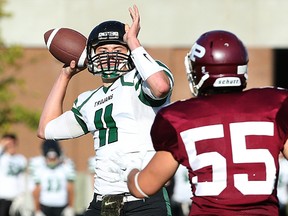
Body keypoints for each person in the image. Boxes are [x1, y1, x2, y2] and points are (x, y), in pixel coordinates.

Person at [120, 30, 288, 215]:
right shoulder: (274, 105)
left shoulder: (180, 117)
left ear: (200, 70)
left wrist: (130, 172)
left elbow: (144, 187)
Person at [37, 4, 174, 216]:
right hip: (103, 202)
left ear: (131, 53)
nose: (110, 56)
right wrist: (65, 75)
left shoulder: (141, 79)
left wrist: (134, 41)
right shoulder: (88, 100)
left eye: (118, 49)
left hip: (144, 198)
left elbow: (161, 86)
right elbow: (46, 129)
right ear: (90, 56)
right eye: (102, 50)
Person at [31, 139, 76, 216]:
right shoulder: (40, 169)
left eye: (54, 158)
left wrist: (70, 207)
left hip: (61, 206)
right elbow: (36, 192)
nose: (52, 161)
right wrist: (37, 210)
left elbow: (70, 189)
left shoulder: (65, 168)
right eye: (50, 158)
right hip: (45, 205)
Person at [0, 133, 27, 216]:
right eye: (9, 144)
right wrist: (2, 145)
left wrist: (22, 194)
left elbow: (22, 178)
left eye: (13, 143)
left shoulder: (21, 159)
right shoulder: (2, 157)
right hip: (3, 197)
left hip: (16, 198)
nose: (11, 146)